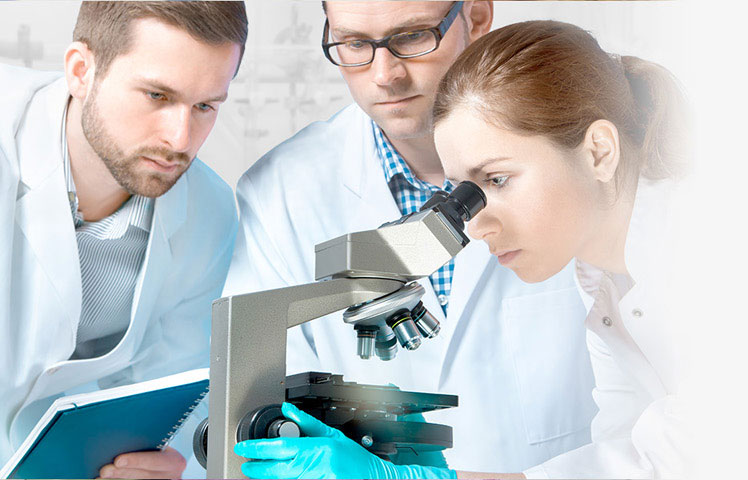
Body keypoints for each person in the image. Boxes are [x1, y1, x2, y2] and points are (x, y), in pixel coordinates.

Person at [231, 19, 691, 479]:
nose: (476, 223)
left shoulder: (713, 249)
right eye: (463, 191)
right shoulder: (601, 282)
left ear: (598, 152)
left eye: (497, 179)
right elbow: (625, 461)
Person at [0, 2, 247, 478]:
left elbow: (162, 400)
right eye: (157, 95)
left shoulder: (208, 212)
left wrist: (144, 466)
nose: (179, 139)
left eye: (204, 107)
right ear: (81, 70)